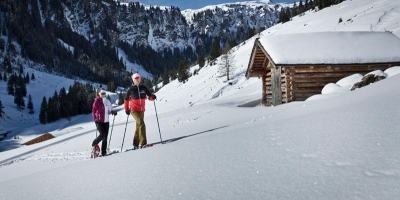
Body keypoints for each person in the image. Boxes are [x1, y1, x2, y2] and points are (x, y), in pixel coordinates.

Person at [124, 73, 156, 150]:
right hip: (133, 110)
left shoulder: (143, 88)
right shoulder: (131, 89)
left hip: (141, 110)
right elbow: (126, 99)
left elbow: (149, 96)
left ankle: (135, 144)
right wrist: (126, 109)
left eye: (139, 79)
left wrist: (153, 97)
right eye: (136, 79)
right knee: (141, 123)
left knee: (138, 126)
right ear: (133, 80)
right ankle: (143, 143)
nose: (138, 80)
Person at [92, 88, 117, 156]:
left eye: (104, 93)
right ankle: (94, 143)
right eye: (102, 93)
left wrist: (112, 112)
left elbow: (110, 108)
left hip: (106, 121)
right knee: (102, 134)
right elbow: (93, 111)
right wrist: (95, 118)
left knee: (105, 137)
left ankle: (104, 152)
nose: (104, 95)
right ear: (99, 94)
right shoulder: (96, 101)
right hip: (99, 121)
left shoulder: (107, 101)